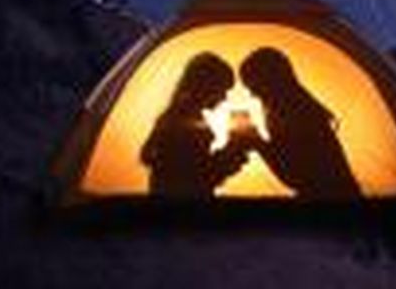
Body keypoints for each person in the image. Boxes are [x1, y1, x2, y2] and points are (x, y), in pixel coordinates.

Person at [237, 47, 360, 200]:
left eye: (254, 86)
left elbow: (297, 176)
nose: (252, 94)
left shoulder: (299, 114)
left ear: (270, 81)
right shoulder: (295, 108)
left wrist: (257, 143)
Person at [140, 52, 251, 198]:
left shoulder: (176, 114)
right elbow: (199, 176)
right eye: (222, 90)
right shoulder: (183, 119)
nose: (224, 98)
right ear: (208, 86)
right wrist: (234, 149)